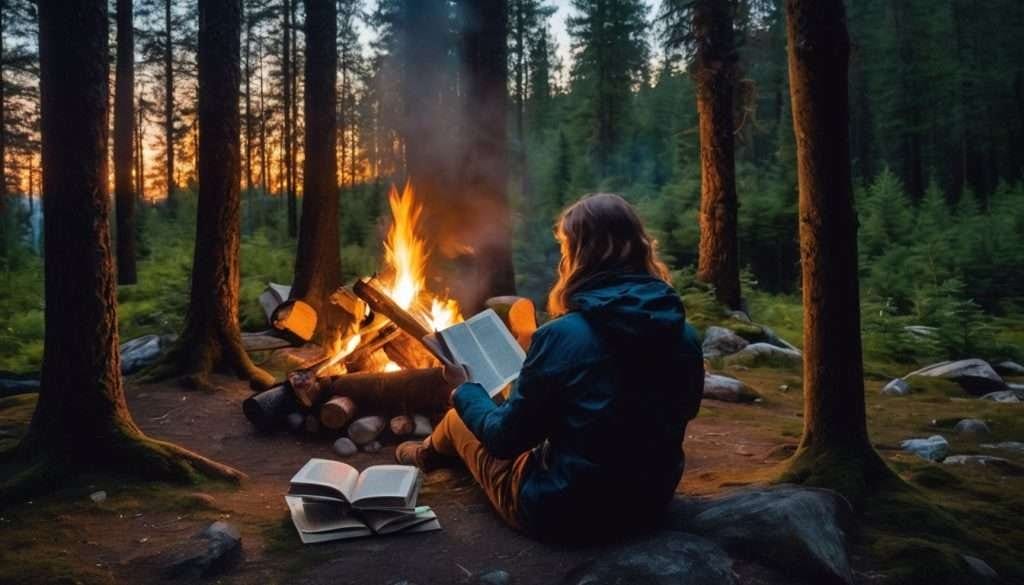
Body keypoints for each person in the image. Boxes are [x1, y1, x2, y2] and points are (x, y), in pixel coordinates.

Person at [396, 193, 704, 542]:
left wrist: (464, 388)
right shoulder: (684, 334)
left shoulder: (562, 335)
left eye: (565, 249)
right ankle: (429, 451)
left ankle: (424, 454)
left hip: (565, 509)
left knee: (458, 416)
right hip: (649, 502)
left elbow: (504, 441)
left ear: (580, 255)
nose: (563, 259)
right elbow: (678, 410)